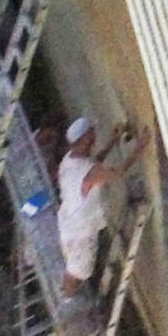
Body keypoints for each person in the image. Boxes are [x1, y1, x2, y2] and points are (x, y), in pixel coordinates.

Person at [56, 120, 145, 299]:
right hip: (79, 230)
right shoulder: (85, 171)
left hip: (71, 225)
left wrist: (114, 140)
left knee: (79, 270)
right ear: (86, 138)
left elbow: (95, 162)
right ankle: (67, 294)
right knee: (81, 271)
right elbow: (117, 173)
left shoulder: (70, 160)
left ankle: (66, 292)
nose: (94, 135)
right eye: (92, 133)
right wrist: (141, 146)